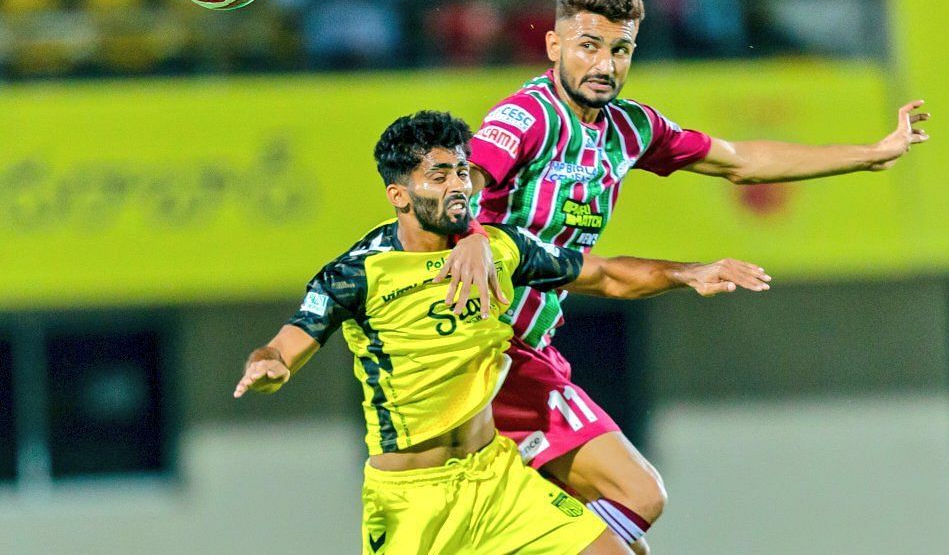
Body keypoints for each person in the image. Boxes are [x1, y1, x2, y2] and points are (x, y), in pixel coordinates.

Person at [435, 0, 931, 553]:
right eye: (589, 45)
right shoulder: (529, 114)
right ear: (553, 46)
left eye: (620, 50)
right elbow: (464, 173)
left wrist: (869, 155)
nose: (605, 64)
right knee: (637, 498)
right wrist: (468, 233)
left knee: (628, 533)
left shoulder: (631, 128)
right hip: (482, 348)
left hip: (534, 346)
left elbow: (740, 160)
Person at [234, 110, 770, 555]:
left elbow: (603, 275)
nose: (458, 186)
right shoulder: (357, 272)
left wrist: (687, 273)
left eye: (463, 172)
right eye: (439, 176)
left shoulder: (501, 248)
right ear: (400, 195)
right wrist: (268, 366)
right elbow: (288, 343)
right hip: (412, 502)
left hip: (495, 478)